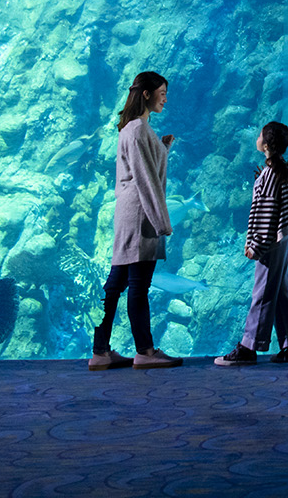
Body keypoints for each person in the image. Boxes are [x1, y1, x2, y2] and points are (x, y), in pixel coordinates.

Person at [91, 71, 183, 370]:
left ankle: (100, 351)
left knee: (115, 284)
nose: (165, 97)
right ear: (146, 93)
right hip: (141, 214)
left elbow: (139, 170)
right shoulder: (139, 130)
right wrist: (162, 222)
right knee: (138, 286)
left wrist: (162, 149)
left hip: (127, 212)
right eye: (162, 92)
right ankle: (145, 351)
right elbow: (146, 180)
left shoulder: (132, 129)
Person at [215, 121, 288, 366]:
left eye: (260, 135)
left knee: (263, 291)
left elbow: (267, 215)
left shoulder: (270, 175)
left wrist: (256, 245)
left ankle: (249, 347)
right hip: (281, 237)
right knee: (279, 291)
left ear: (266, 145)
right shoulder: (274, 172)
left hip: (271, 240)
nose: (256, 137)